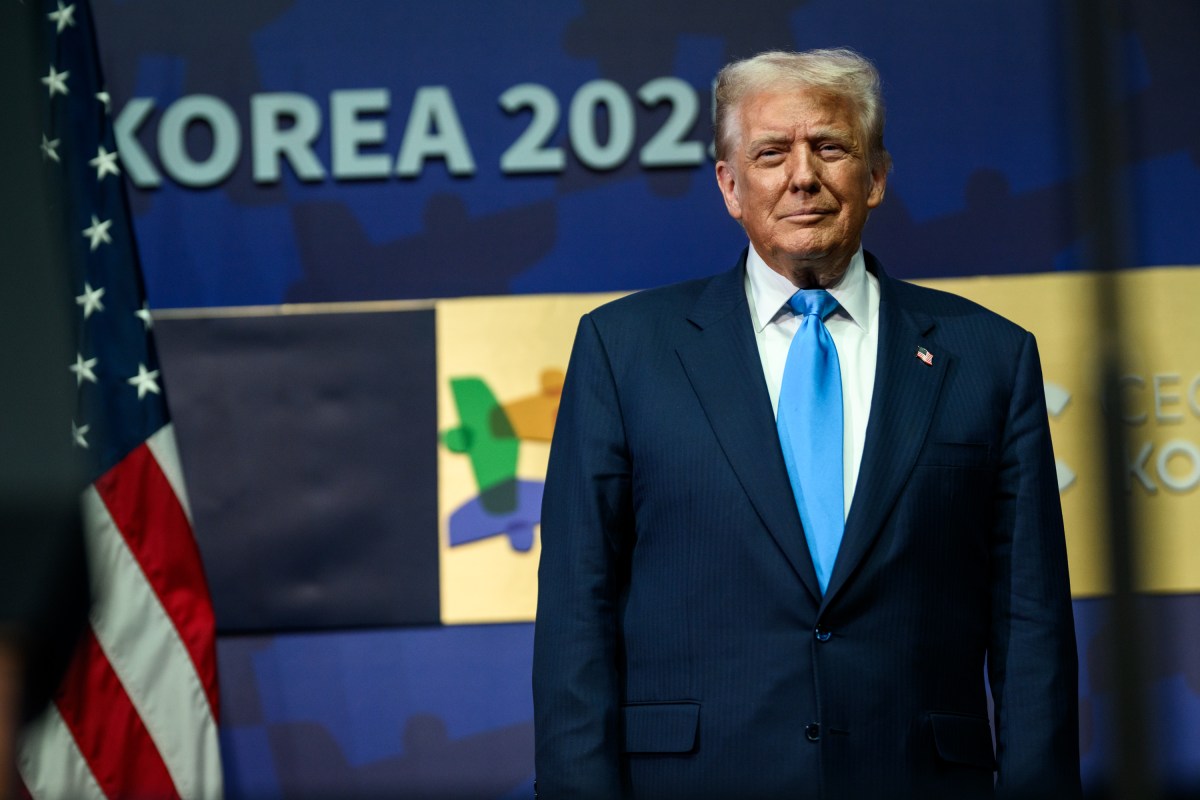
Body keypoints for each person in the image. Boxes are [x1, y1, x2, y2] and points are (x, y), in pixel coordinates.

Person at [532, 47, 1080, 799]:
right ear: (729, 185)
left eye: (830, 147)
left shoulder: (991, 358)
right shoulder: (624, 352)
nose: (802, 175)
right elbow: (575, 612)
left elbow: (1032, 625)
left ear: (877, 175)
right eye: (770, 153)